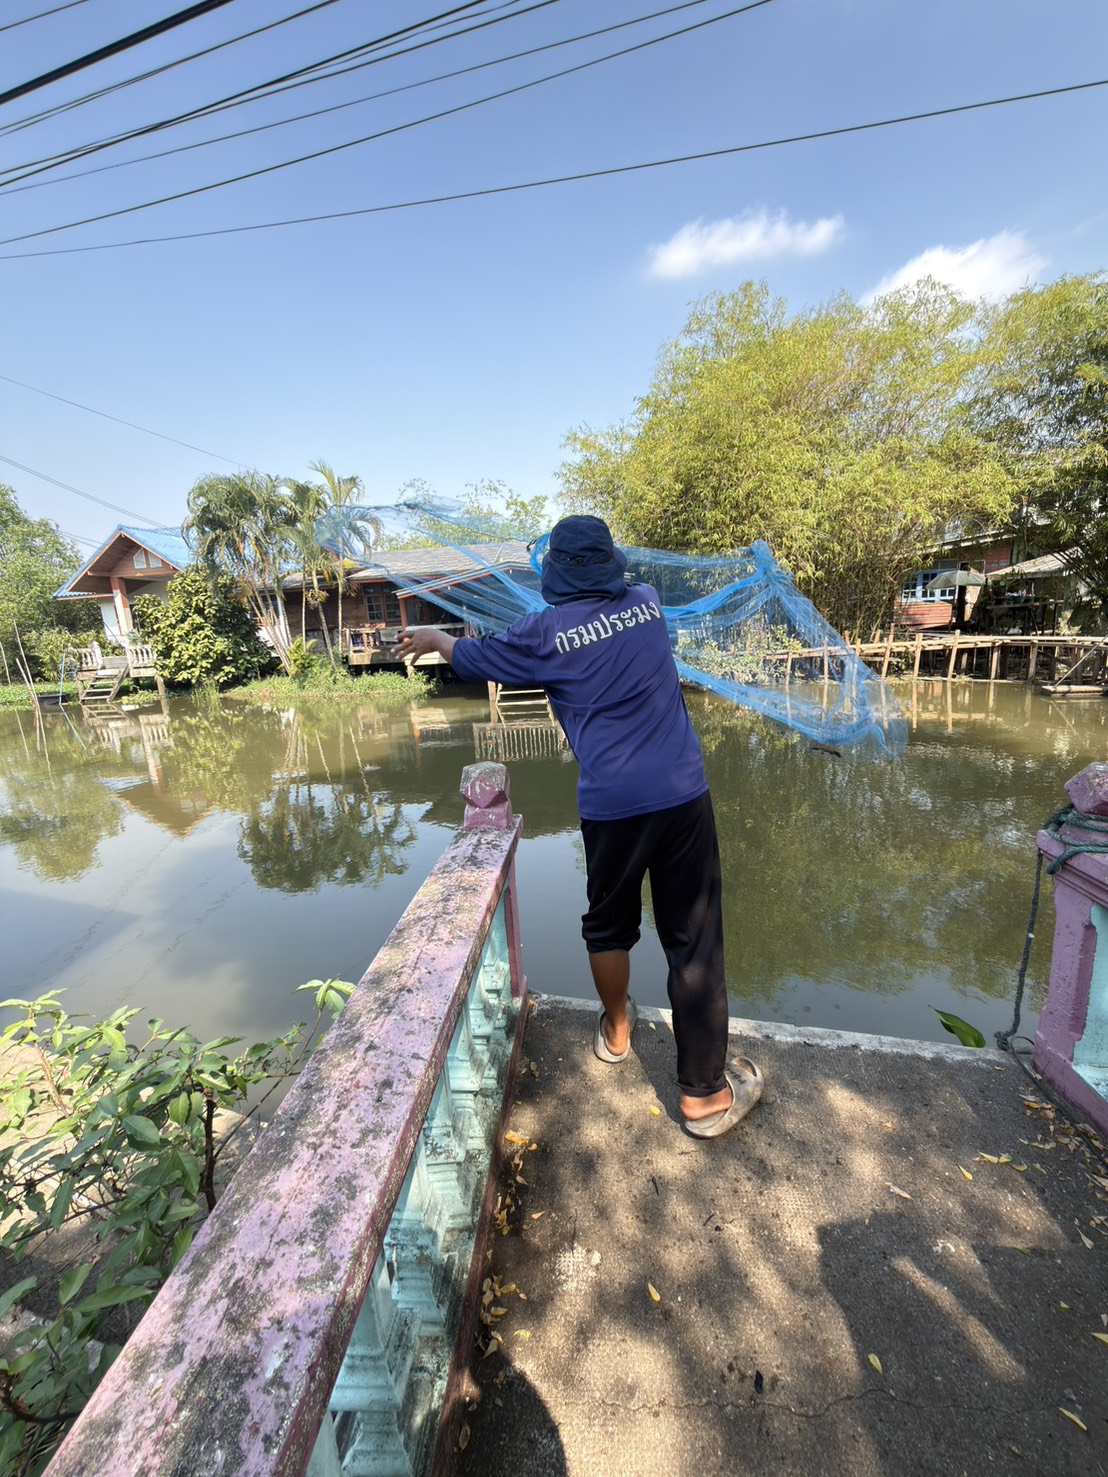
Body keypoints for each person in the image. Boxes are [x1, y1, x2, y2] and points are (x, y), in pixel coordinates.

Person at [395, 515, 762, 1138]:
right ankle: (703, 1097)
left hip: (611, 805)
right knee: (693, 942)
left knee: (608, 924)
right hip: (680, 793)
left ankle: (616, 1035)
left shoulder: (543, 634)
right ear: (613, 564)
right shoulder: (646, 605)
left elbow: (473, 656)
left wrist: (434, 635)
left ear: (557, 571)